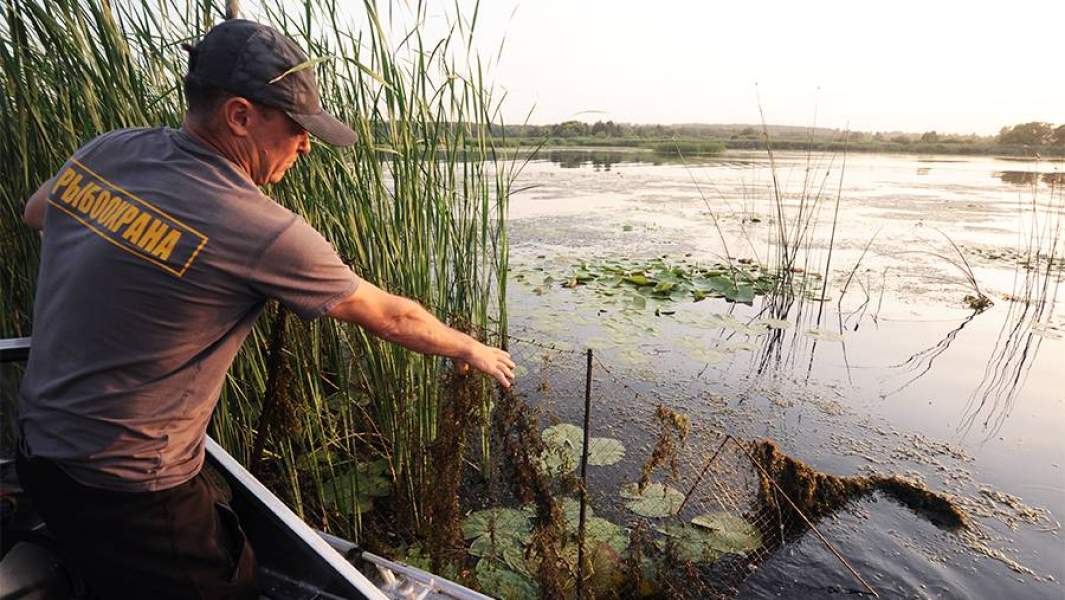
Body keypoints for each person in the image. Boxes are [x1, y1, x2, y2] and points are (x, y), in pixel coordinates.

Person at [15, 18, 515, 600]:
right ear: (240, 115)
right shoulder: (259, 229)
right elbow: (390, 314)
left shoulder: (111, 149)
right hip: (130, 489)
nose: (305, 144)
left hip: (40, 454)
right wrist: (470, 346)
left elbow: (36, 211)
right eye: (297, 127)